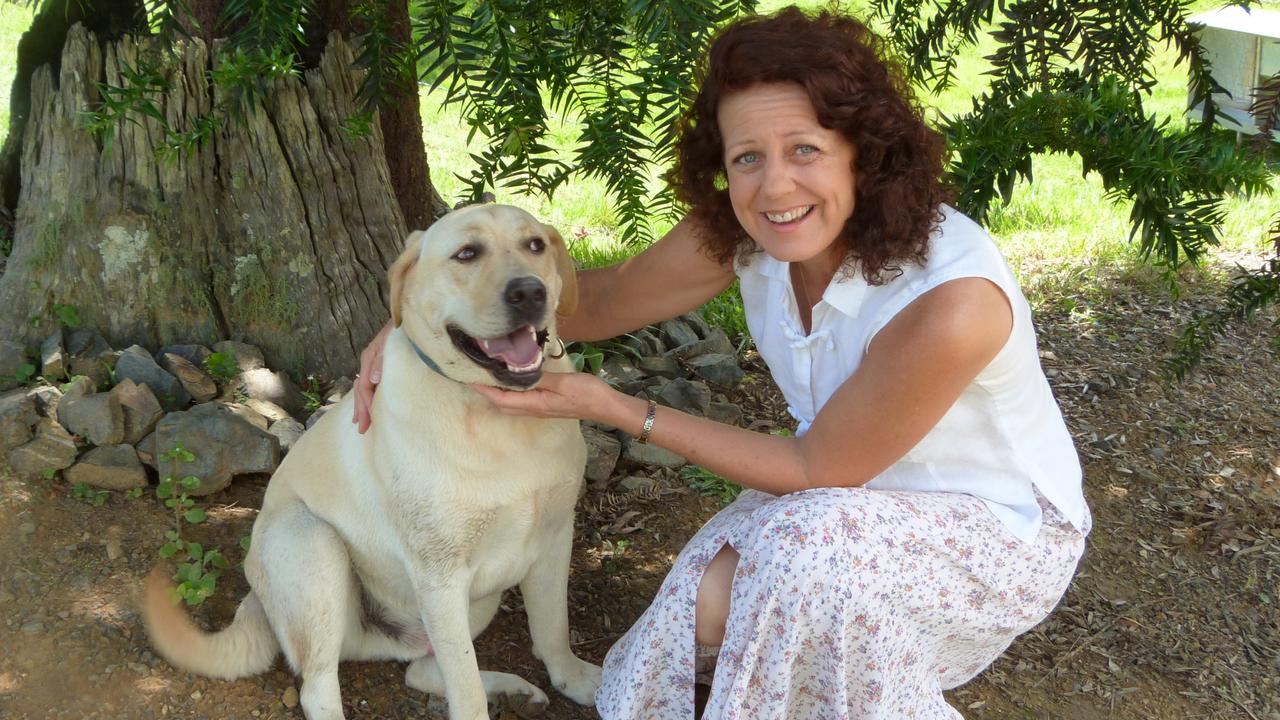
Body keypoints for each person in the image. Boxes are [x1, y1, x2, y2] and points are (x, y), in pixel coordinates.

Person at [352, 6, 1090, 718]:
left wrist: (618, 409)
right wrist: (422, 321)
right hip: (834, 507)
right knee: (703, 608)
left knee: (803, 576)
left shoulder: (952, 299)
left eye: (805, 149)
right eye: (747, 158)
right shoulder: (745, 231)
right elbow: (596, 303)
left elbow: (815, 468)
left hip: (988, 530)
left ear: (863, 152)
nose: (775, 187)